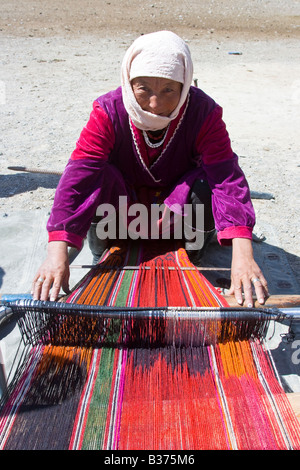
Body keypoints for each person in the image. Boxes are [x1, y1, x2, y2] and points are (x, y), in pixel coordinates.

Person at [32, 30, 268, 307]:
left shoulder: (203, 113)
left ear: (184, 85)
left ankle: (190, 260)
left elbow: (226, 178)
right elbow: (80, 176)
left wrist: (242, 255)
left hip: (177, 214)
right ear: (128, 82)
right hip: (120, 212)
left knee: (206, 182)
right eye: (143, 88)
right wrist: (56, 253)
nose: (155, 105)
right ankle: (104, 256)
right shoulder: (107, 111)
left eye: (169, 90)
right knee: (97, 176)